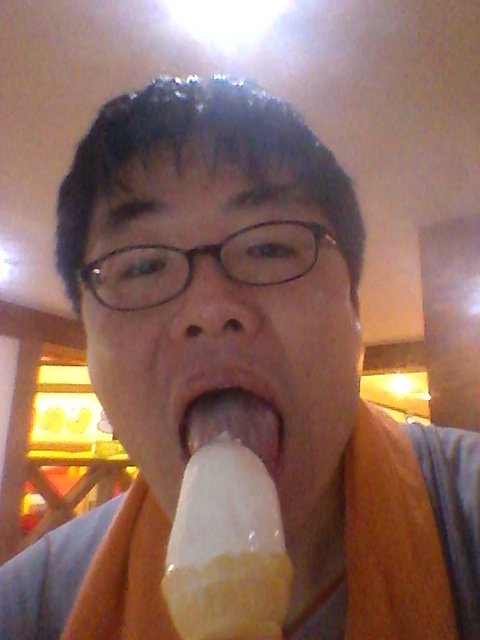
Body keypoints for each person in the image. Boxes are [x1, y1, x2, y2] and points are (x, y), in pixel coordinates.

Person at [0, 75, 479, 640]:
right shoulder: (30, 607)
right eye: (143, 265)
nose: (209, 308)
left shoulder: (464, 518)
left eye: (269, 247)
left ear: (354, 306)